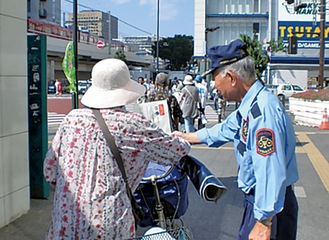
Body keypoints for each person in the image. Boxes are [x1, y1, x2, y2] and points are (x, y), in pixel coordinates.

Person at [43, 59, 190, 240]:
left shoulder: (72, 119)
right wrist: (181, 137)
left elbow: (50, 171)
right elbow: (176, 151)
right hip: (108, 223)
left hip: (65, 220)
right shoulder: (132, 123)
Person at [172, 39, 299, 240]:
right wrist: (186, 136)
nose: (214, 86)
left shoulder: (262, 112)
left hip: (270, 207)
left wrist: (264, 221)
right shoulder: (249, 106)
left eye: (214, 78)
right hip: (261, 202)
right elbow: (224, 130)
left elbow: (269, 167)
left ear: (231, 77)